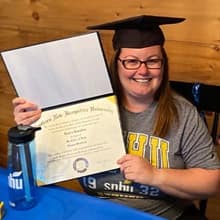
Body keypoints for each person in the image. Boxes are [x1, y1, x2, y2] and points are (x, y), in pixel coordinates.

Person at [12, 15, 220, 219]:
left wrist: (155, 175)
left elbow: (211, 181)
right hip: (98, 213)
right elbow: (40, 170)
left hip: (163, 216)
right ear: (117, 64)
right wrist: (29, 130)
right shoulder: (86, 107)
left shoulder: (182, 113)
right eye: (131, 61)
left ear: (163, 65)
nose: (143, 70)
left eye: (153, 61)